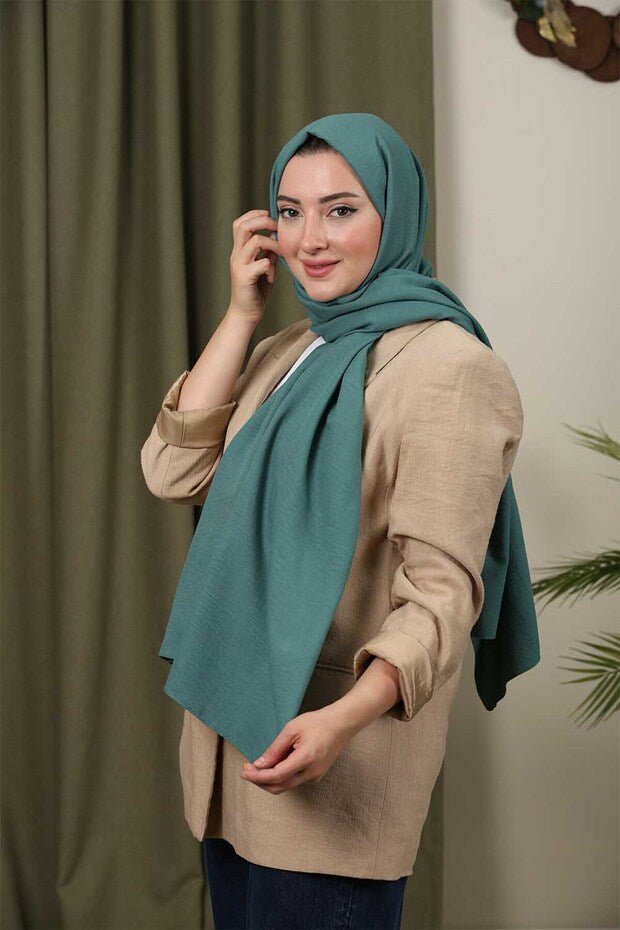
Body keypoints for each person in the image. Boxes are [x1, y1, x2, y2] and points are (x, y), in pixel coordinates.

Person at [140, 114, 537, 930]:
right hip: (231, 750)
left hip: (334, 762)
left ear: (397, 213)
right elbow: (172, 470)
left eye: (341, 210)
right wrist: (241, 315)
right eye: (289, 212)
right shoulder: (293, 349)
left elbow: (440, 597)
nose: (310, 240)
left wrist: (342, 719)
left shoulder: (450, 369)